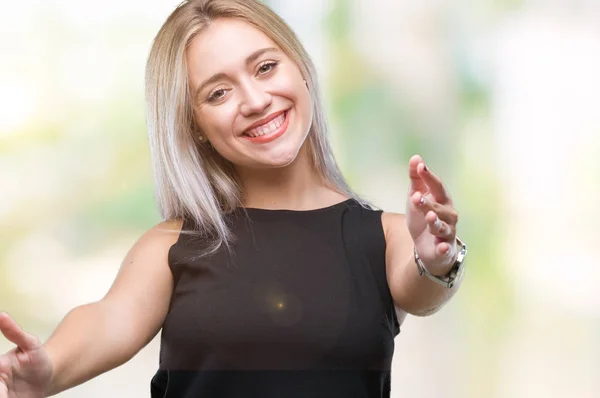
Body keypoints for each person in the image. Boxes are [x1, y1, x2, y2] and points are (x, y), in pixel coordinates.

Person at [0, 0, 468, 397]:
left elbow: (421, 290)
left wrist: (437, 255)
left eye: (265, 67)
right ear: (195, 128)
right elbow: (108, 319)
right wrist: (49, 370)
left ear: (302, 70)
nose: (255, 100)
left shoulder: (385, 236)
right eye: (218, 93)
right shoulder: (173, 245)